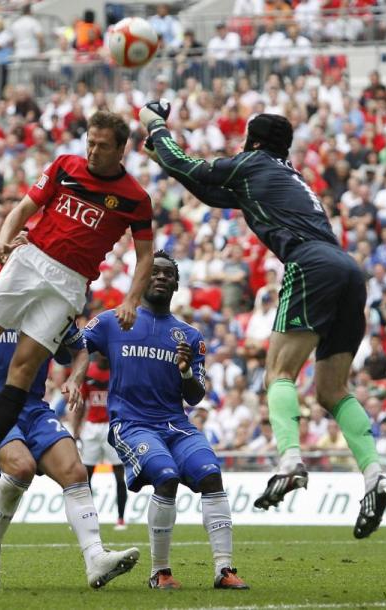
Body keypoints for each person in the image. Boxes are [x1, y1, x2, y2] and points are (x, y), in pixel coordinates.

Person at [139, 102, 386, 539]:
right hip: (349, 271)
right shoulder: (286, 176)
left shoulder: (251, 163)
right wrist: (163, 156)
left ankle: (290, 460)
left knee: (279, 373)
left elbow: (188, 166)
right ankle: (375, 475)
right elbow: (208, 192)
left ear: (252, 141)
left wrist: (156, 127)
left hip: (309, 263)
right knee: (333, 391)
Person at [0, 111, 154, 488]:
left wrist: (132, 300)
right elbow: (23, 209)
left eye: (103, 146)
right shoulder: (65, 166)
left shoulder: (135, 198)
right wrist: (4, 238)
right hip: (30, 260)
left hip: (70, 285)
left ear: (121, 149)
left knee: (24, 368)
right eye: (90, 142)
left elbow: (145, 255)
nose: (94, 151)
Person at [0, 284, 140, 590]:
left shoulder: (51, 302)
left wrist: (75, 378)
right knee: (21, 466)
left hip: (33, 406)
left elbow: (80, 348)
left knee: (75, 470)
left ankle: (96, 558)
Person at [82, 251, 249, 591]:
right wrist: (72, 378)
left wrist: (186, 370)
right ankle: (160, 572)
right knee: (166, 475)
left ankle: (224, 570)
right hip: (131, 423)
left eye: (167, 274)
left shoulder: (188, 335)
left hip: (175, 424)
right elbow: (73, 349)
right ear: (142, 279)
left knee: (211, 474)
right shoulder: (112, 321)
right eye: (153, 272)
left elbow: (195, 396)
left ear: (176, 284)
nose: (160, 277)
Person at [69, 354, 128, 530]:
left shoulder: (118, 372)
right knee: (86, 475)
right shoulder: (89, 372)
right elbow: (81, 403)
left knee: (119, 474)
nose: (103, 354)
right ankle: (86, 517)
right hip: (92, 428)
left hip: (112, 427)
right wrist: (76, 429)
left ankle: (121, 519)